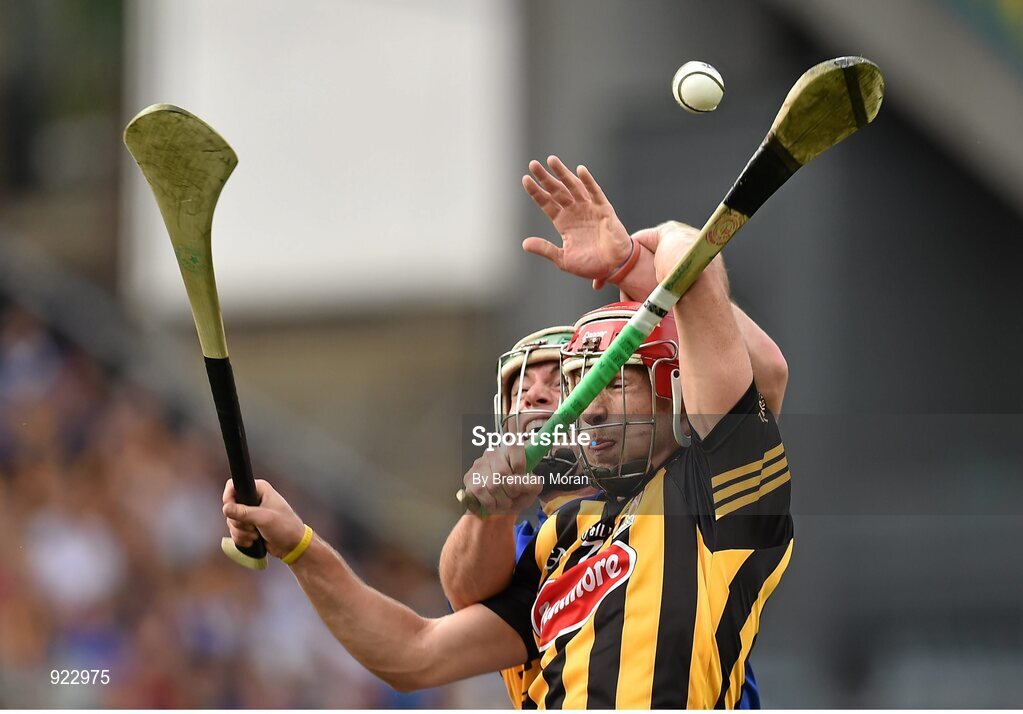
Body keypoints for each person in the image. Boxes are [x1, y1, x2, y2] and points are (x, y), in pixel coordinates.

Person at [221, 160, 793, 708]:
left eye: (615, 382)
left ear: (673, 387)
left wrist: (635, 264)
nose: (586, 408)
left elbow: (734, 331)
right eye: (583, 387)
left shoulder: (718, 482)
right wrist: (299, 544)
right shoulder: (562, 538)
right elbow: (413, 652)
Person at [439, 325, 598, 707]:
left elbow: (766, 376)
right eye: (519, 391)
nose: (533, 396)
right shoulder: (518, 551)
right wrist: (492, 510)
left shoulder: (667, 495)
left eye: (559, 381)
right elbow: (463, 594)